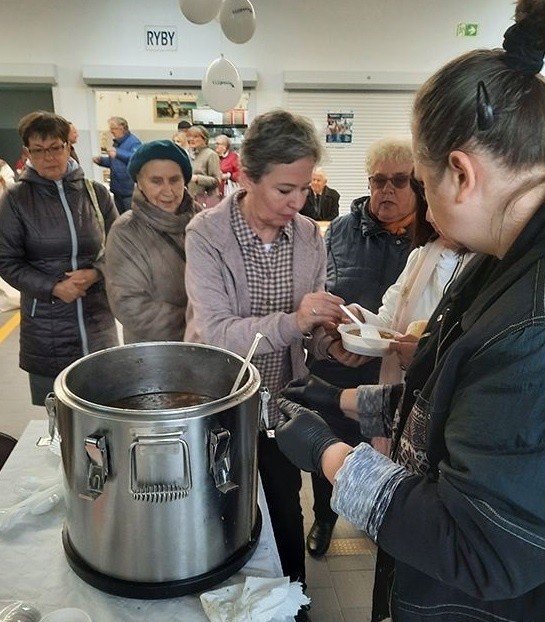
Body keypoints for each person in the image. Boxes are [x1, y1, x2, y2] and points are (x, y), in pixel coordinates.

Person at [275, 2, 545, 620]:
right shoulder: (497, 260)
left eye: (418, 180)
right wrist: (344, 402)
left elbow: (479, 546)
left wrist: (329, 456)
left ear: (459, 174)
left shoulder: (531, 323)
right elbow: (455, 409)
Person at [184, 109, 362, 622]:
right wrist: (296, 318)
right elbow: (214, 333)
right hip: (219, 401)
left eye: (305, 189)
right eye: (285, 189)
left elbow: (310, 339)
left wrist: (334, 342)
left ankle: (293, 603)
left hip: (281, 403)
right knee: (222, 508)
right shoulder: (208, 234)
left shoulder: (308, 235)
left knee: (285, 506)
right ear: (246, 176)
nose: (298, 202)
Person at [304, 137, 419, 558]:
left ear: (417, 184)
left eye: (399, 181)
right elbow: (322, 292)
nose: (386, 190)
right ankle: (325, 516)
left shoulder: (428, 234)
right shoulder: (342, 229)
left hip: (394, 367)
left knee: (386, 444)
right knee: (329, 436)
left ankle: (379, 515)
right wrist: (331, 344)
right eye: (378, 180)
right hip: (341, 359)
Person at [0, 111, 118, 405]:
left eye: (55, 147)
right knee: (59, 420)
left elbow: (119, 247)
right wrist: (53, 287)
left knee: (107, 405)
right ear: (27, 152)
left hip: (97, 322)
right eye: (38, 151)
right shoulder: (15, 200)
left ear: (68, 146)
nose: (48, 157)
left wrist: (96, 273)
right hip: (47, 327)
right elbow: (6, 260)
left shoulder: (96, 194)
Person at [105, 140, 199, 344]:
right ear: (139, 183)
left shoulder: (204, 223)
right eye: (156, 181)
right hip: (156, 354)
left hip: (208, 347)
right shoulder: (126, 232)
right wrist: (200, 323)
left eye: (175, 180)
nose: (168, 191)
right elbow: (130, 305)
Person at [93, 116, 142, 214]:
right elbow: (115, 163)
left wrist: (118, 153)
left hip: (128, 190)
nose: (111, 132)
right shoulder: (117, 143)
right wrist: (101, 161)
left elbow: (137, 158)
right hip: (117, 188)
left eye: (113, 128)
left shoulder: (134, 142)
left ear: (121, 128)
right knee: (120, 218)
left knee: (130, 218)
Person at [186, 125, 221, 208]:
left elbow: (216, 181)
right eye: (189, 136)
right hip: (190, 200)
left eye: (195, 137)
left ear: (204, 139)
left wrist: (197, 178)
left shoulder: (211, 154)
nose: (191, 139)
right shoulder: (187, 154)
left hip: (206, 200)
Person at [214, 133, 241, 198]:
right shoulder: (213, 156)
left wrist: (228, 175)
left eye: (218, 144)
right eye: (215, 144)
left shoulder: (233, 157)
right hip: (214, 191)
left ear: (224, 146)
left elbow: (239, 173)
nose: (215, 146)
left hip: (228, 191)